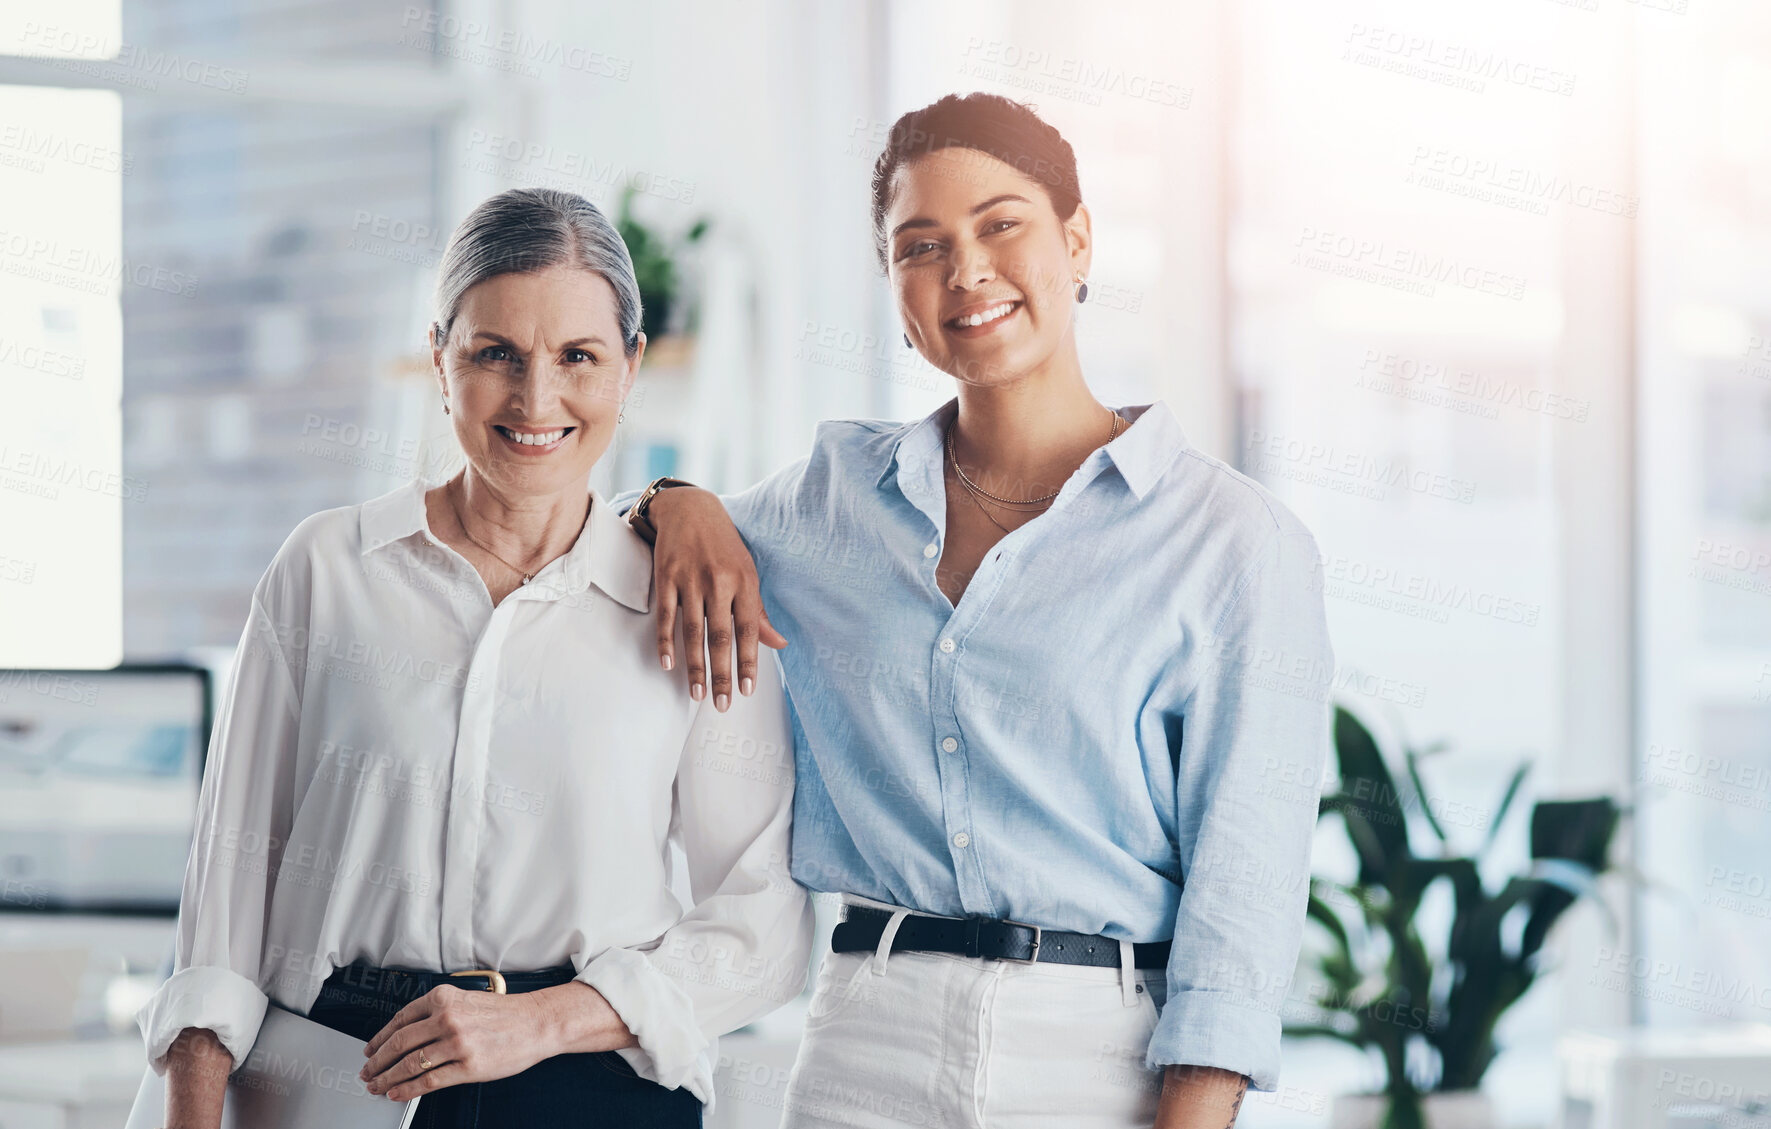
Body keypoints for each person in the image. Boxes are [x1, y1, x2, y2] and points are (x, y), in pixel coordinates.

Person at [620, 93, 1334, 1127]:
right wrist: (668, 502)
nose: (966, 271)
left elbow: (1244, 896)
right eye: (922, 246)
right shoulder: (829, 500)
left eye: (1001, 224)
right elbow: (613, 543)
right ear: (896, 291)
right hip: (864, 1038)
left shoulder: (1233, 544)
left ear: (1076, 238)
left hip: (1101, 1059)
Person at [135, 187, 812, 1129]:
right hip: (335, 1078)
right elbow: (227, 885)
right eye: (496, 354)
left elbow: (764, 922)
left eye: (578, 356)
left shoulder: (689, 599)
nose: (536, 398)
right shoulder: (327, 570)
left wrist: (541, 1022)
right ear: (441, 360)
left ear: (630, 369)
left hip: (594, 1085)